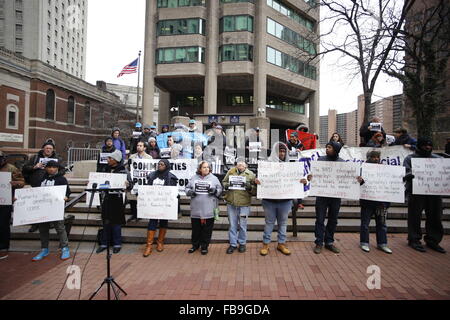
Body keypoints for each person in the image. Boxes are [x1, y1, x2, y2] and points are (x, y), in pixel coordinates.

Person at [306, 141, 363, 254]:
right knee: (320, 220)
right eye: (327, 147)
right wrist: (310, 177)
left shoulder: (342, 162)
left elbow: (348, 178)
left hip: (336, 197)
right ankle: (319, 242)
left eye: (330, 147)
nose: (327, 149)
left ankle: (329, 242)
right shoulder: (320, 160)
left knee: (333, 220)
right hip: (322, 196)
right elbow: (314, 175)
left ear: (336, 149)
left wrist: (357, 180)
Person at [403, 137, 446, 253]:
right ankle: (414, 239)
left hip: (434, 192)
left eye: (430, 145)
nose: (427, 147)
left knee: (435, 216)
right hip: (416, 192)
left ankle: (433, 240)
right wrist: (410, 174)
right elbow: (404, 172)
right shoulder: (410, 158)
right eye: (424, 145)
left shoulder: (439, 159)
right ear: (419, 146)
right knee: (415, 216)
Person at [255, 142, 294, 256]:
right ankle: (266, 244)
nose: (282, 153)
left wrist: (302, 181)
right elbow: (261, 179)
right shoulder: (266, 165)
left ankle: (281, 243)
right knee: (269, 223)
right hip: (269, 201)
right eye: (279, 151)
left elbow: (296, 180)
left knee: (283, 223)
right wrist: (257, 181)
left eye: (283, 151)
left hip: (285, 201)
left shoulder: (291, 167)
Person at [31, 160, 71, 261]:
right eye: (50, 167)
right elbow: (35, 191)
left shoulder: (62, 179)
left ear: (57, 168)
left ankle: (65, 248)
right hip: (43, 208)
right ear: (46, 168)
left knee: (60, 228)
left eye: (54, 167)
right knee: (43, 229)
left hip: (56, 208)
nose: (52, 169)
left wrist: (65, 197)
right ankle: (44, 248)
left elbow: (68, 192)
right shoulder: (41, 179)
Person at [22, 140, 64, 233]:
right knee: (36, 206)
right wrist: (34, 167)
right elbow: (24, 168)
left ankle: (49, 222)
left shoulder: (58, 158)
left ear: (53, 150)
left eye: (50, 148)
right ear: (43, 149)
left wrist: (54, 174)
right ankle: (35, 224)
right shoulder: (35, 157)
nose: (48, 150)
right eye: (47, 148)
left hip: (51, 185)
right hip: (37, 184)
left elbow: (62, 170)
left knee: (49, 205)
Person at [96, 150, 133, 254]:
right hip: (106, 198)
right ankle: (104, 243)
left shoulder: (123, 171)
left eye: (110, 158)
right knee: (105, 222)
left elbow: (131, 185)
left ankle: (117, 244)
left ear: (116, 160)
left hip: (118, 199)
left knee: (116, 223)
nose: (108, 160)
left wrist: (127, 184)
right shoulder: (105, 169)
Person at [358, 150, 392, 254]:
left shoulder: (385, 170)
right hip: (367, 202)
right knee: (365, 224)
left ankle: (382, 243)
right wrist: (360, 181)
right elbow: (359, 186)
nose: (376, 159)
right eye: (373, 157)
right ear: (369, 158)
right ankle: (364, 242)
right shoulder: (362, 169)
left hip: (381, 202)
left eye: (378, 157)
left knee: (382, 224)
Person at [143, 159, 178, 257]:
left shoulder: (171, 177)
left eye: (162, 164)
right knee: (152, 223)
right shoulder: (152, 175)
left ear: (166, 166)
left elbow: (173, 191)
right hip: (153, 204)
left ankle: (160, 242)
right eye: (158, 164)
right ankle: (148, 246)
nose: (160, 166)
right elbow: (147, 187)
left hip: (165, 205)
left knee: (163, 222)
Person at [185, 161, 222, 255]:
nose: (206, 169)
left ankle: (204, 246)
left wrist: (215, 191)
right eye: (204, 167)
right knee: (195, 229)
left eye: (207, 167)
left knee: (207, 229)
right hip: (196, 208)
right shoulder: (193, 178)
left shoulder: (214, 178)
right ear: (200, 169)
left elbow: (220, 190)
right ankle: (195, 245)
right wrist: (189, 192)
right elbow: (186, 188)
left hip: (209, 208)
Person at [222, 160, 256, 254]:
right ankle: (232, 244)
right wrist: (227, 186)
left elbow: (255, 190)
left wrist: (250, 187)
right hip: (231, 203)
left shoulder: (251, 175)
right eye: (238, 164)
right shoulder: (231, 171)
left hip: (244, 204)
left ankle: (242, 243)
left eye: (242, 164)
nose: (240, 166)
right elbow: (224, 182)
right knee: (232, 225)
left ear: (246, 166)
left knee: (242, 224)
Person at [0, 151, 25, 260]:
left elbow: (22, 182)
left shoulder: (11, 168)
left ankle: (3, 246)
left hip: (5, 201)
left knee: (3, 224)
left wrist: (15, 183)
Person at [127, 141, 153, 223]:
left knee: (141, 198)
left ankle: (141, 214)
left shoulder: (149, 157)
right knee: (132, 198)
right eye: (137, 145)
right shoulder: (132, 157)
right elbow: (128, 167)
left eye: (141, 146)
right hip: (134, 180)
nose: (138, 147)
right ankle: (134, 214)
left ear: (144, 148)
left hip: (143, 180)